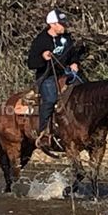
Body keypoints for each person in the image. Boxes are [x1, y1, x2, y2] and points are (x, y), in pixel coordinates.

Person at [26, 8, 82, 149]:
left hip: (66, 74)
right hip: (48, 76)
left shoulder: (67, 38)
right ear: (53, 24)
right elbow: (31, 63)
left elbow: (73, 54)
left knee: (85, 92)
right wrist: (43, 57)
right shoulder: (41, 40)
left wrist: (75, 63)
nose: (65, 26)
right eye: (62, 24)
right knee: (50, 99)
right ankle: (43, 131)